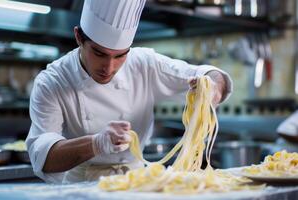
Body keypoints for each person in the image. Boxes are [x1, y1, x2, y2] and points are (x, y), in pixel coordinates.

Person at [26, 0, 233, 183]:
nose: (109, 67)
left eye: (120, 56)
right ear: (79, 36)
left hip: (137, 183)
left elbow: (212, 76)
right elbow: (43, 158)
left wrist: (211, 89)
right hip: (81, 186)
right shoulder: (52, 81)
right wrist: (97, 143)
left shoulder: (144, 63)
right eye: (99, 53)